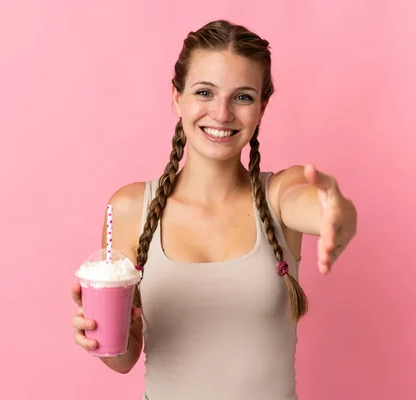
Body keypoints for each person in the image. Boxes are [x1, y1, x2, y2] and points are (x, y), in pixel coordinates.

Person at [71, 19, 358, 400]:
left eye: (242, 97)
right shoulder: (128, 209)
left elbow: (323, 209)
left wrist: (338, 214)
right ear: (177, 97)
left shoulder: (279, 193)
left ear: (262, 107)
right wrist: (100, 334)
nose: (222, 113)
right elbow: (125, 358)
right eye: (204, 92)